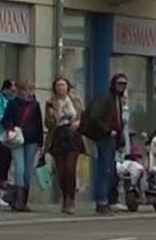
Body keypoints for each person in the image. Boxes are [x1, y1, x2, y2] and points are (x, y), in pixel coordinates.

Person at [81, 73, 129, 215]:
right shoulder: (107, 98)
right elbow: (96, 116)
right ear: (114, 84)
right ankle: (102, 201)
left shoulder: (117, 100)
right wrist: (108, 130)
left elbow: (119, 120)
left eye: (124, 84)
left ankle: (107, 200)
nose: (121, 86)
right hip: (105, 138)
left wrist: (119, 137)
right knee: (104, 169)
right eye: (119, 83)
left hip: (113, 138)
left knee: (110, 170)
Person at [44, 76, 86, 214]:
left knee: (70, 168)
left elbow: (84, 116)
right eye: (58, 85)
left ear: (68, 87)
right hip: (58, 136)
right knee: (61, 171)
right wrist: (51, 117)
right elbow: (48, 124)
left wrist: (78, 123)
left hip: (73, 135)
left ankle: (71, 199)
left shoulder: (75, 101)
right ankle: (64, 196)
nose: (60, 88)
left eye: (63, 85)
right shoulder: (50, 103)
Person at [1, 81, 44, 211]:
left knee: (27, 171)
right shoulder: (13, 103)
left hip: (32, 140)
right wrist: (10, 128)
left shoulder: (35, 105)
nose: (26, 93)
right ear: (19, 91)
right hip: (17, 138)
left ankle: (23, 199)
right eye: (24, 90)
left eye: (29, 90)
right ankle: (19, 199)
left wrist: (41, 143)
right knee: (19, 168)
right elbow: (5, 119)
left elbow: (39, 124)